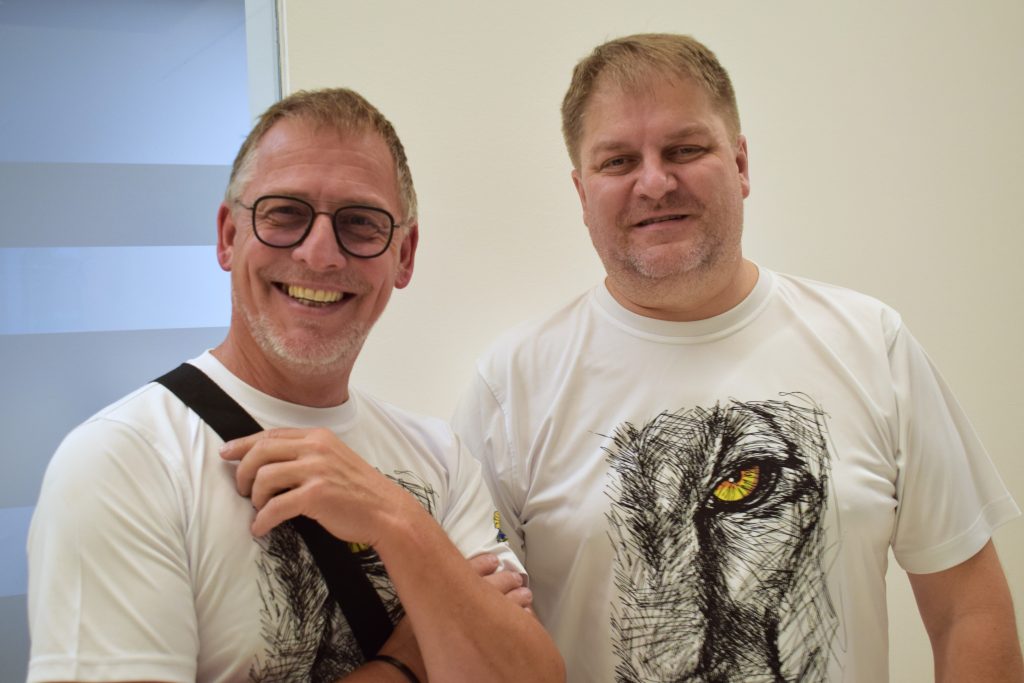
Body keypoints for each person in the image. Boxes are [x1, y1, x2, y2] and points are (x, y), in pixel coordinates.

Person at [452, 33, 1023, 682]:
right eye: (618, 161)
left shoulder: (871, 343)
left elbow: (968, 610)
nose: (654, 182)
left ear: (741, 163)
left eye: (684, 149)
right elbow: (467, 640)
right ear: (582, 193)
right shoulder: (512, 384)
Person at [27, 88, 565, 683]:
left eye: (360, 223)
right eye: (284, 213)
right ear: (228, 236)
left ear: (404, 255)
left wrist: (397, 521)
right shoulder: (124, 461)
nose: (320, 255)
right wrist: (405, 662)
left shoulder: (441, 459)